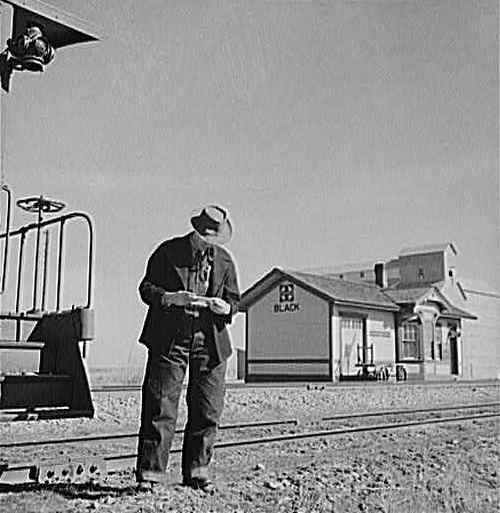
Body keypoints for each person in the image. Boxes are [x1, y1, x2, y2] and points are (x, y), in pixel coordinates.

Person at [135, 205, 240, 494]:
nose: (209, 243)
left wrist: (226, 307)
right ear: (196, 230)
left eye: (214, 239)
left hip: (210, 341)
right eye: (205, 237)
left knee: (208, 408)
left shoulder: (226, 261)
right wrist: (171, 297)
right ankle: (150, 474)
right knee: (160, 405)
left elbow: (235, 300)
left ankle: (197, 472)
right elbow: (146, 289)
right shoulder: (167, 252)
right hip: (170, 338)